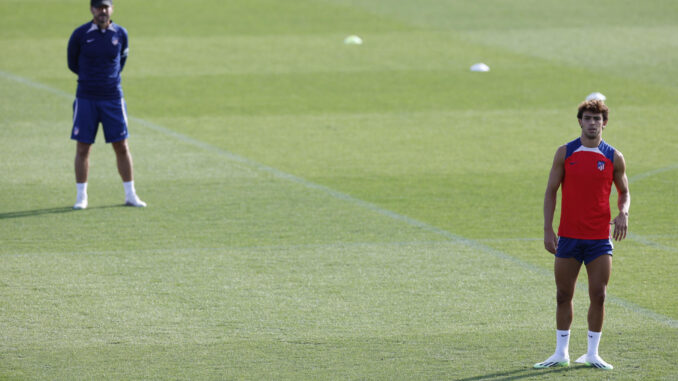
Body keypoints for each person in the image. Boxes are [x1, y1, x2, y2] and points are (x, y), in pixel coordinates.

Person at [535, 99, 630, 370]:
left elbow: (625, 191)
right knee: (563, 294)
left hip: (599, 239)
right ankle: (561, 353)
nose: (592, 123)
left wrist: (624, 212)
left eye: (597, 119)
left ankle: (592, 353)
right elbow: (551, 191)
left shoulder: (614, 157)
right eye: (587, 118)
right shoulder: (565, 153)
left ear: (604, 123)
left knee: (598, 295)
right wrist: (547, 229)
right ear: (580, 121)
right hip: (568, 237)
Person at [67, 0, 146, 209]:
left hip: (112, 98)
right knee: (83, 147)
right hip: (86, 98)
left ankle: (131, 194)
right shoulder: (80, 34)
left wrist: (107, 80)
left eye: (106, 7)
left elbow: (121, 61)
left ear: (112, 9)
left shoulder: (120, 34)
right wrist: (90, 78)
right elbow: (72, 62)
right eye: (98, 7)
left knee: (121, 145)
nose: (102, 11)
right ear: (92, 10)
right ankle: (81, 197)